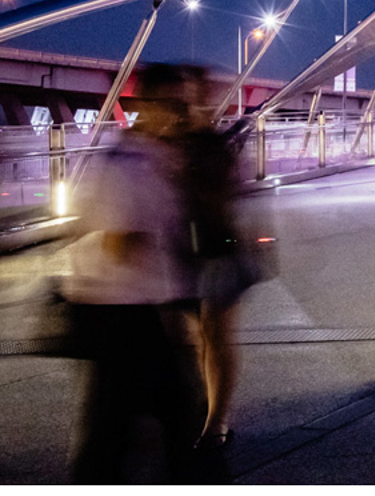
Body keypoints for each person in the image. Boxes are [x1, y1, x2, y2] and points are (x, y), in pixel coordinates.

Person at [62, 63, 226, 483]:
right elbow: (119, 243)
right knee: (151, 425)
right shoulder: (126, 166)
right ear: (145, 106)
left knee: (117, 432)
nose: (179, 115)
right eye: (172, 105)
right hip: (121, 314)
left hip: (137, 311)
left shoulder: (156, 158)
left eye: (182, 106)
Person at [176, 69, 261, 450]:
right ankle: (208, 408)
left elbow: (231, 196)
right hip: (185, 251)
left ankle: (217, 420)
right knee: (198, 337)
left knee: (217, 335)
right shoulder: (176, 142)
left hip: (221, 249)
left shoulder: (213, 144)